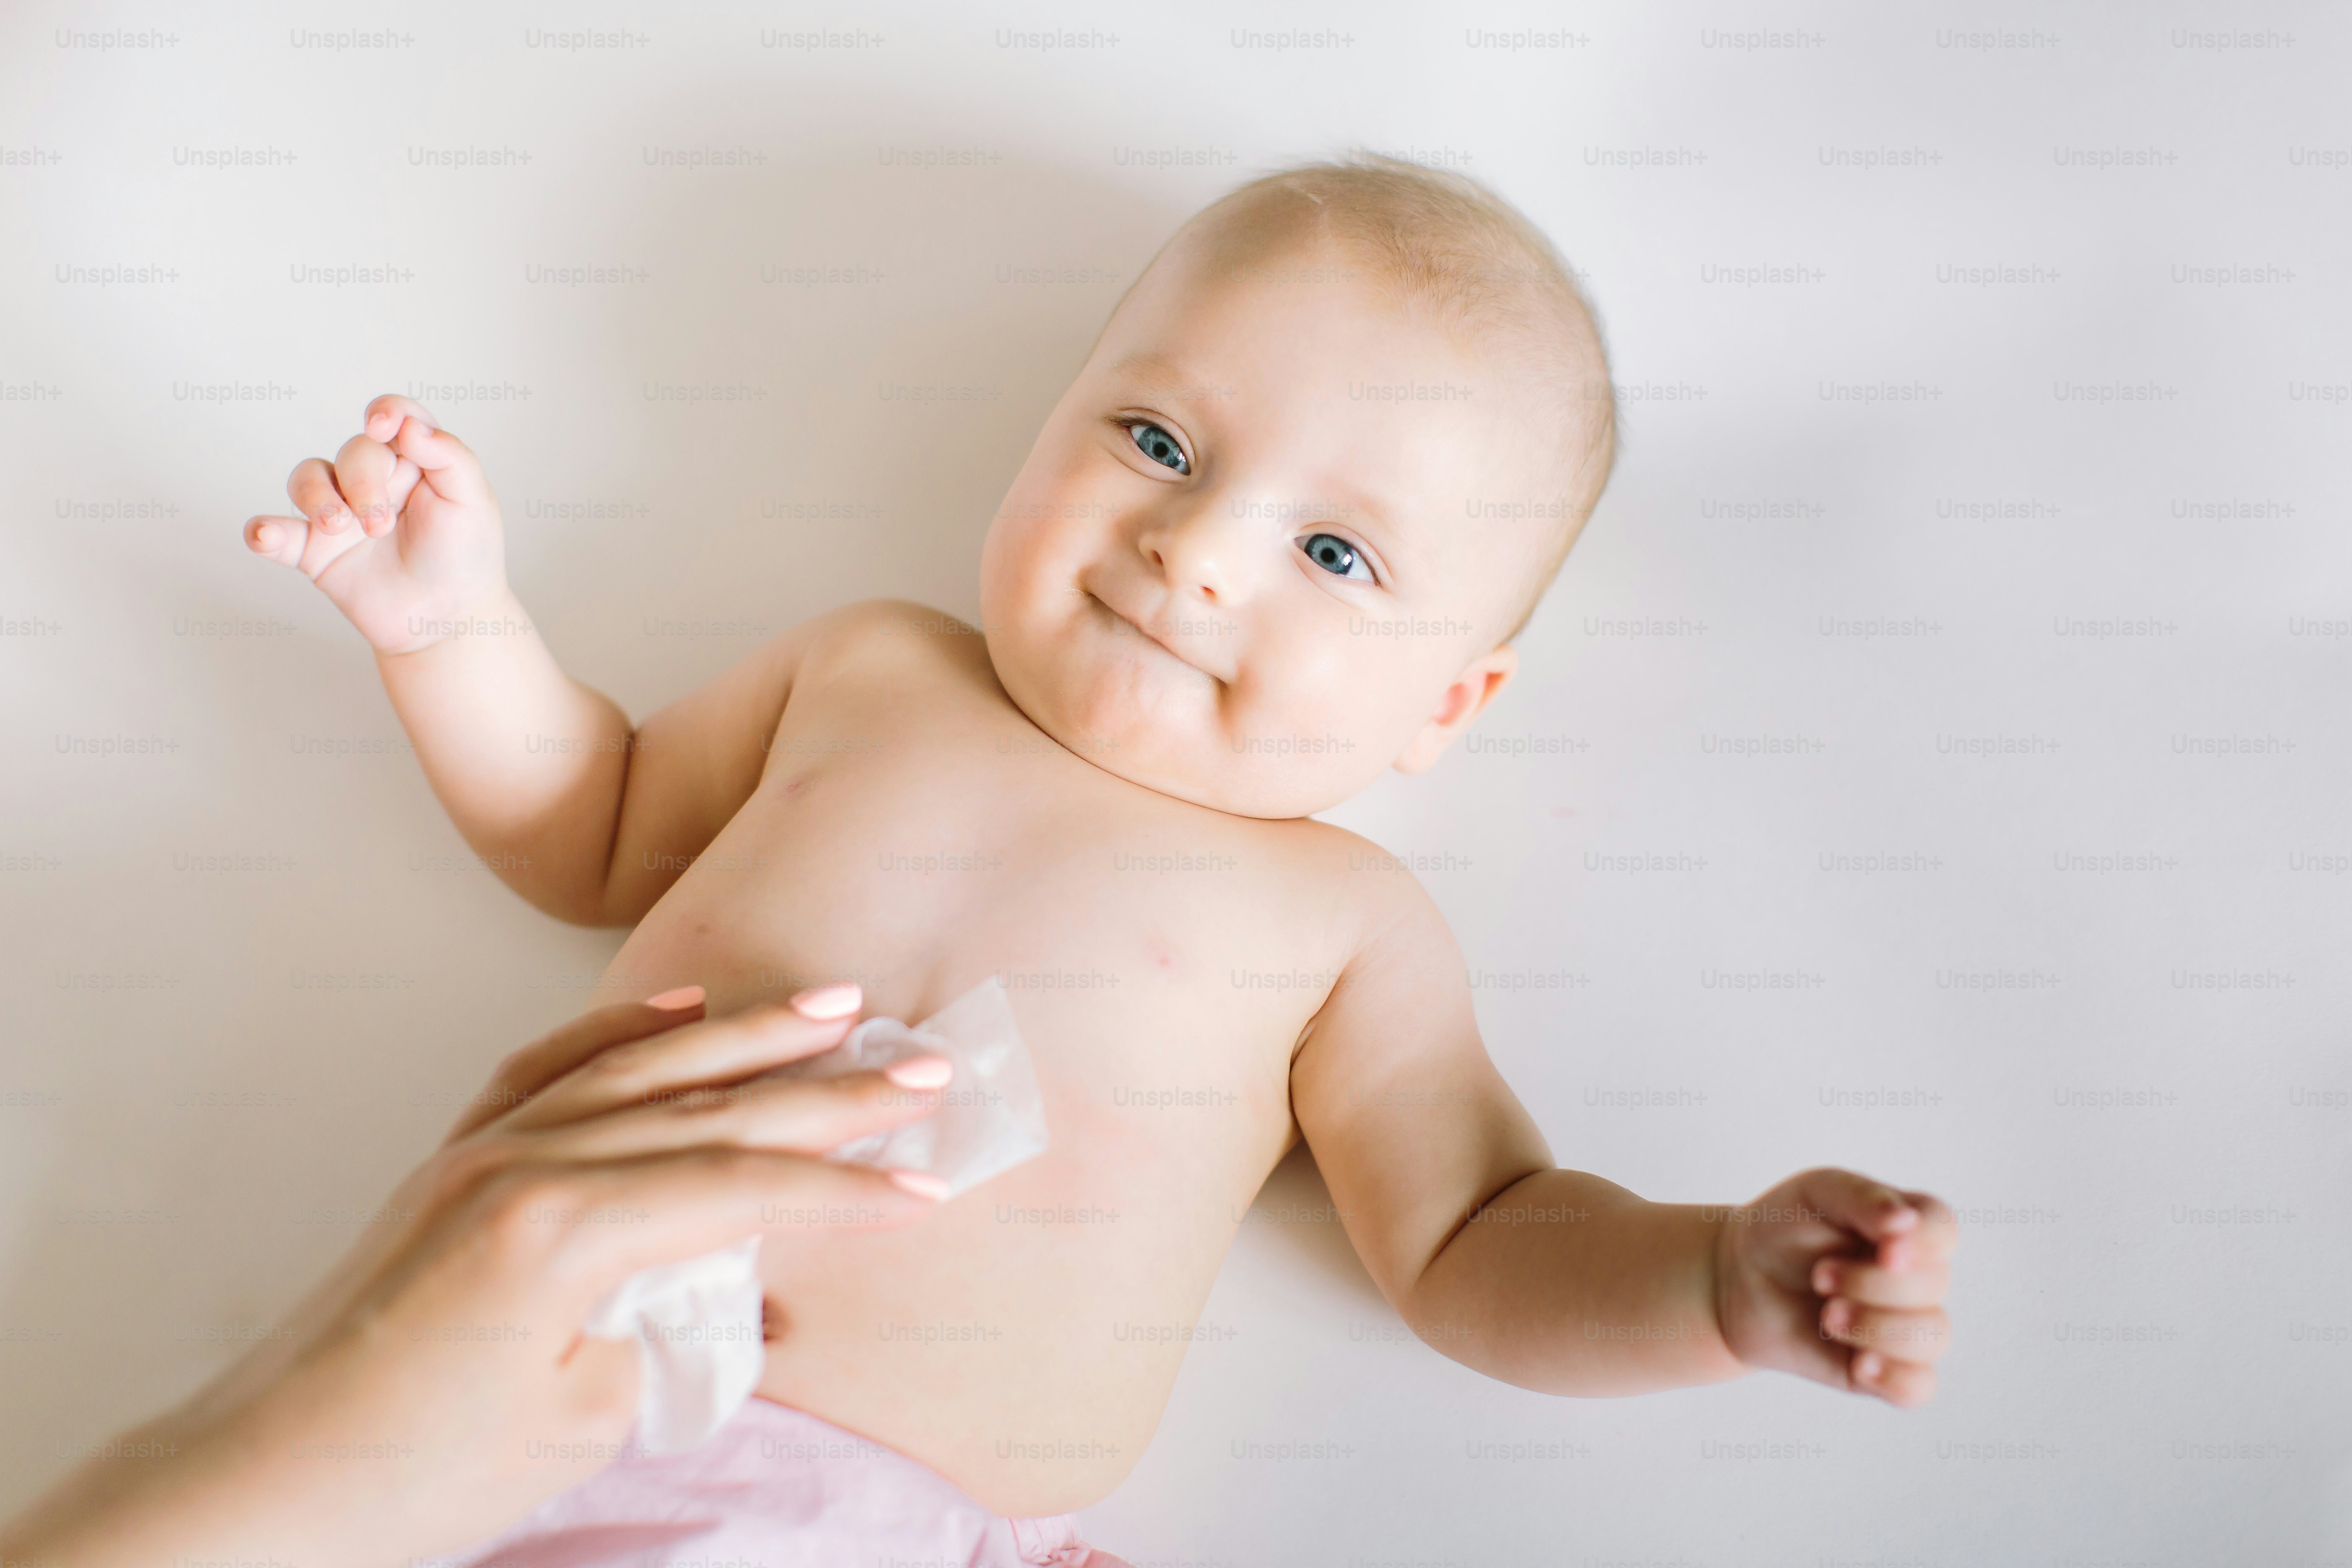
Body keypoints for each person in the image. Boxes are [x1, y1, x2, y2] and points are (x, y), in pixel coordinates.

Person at [233, 153, 1958, 1544]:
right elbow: (591, 829)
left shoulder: (1336, 920)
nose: (1197, 545)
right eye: (1156, 441)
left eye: (1337, 554)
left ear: (1449, 699)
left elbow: (1476, 1233)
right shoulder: (867, 670)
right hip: (488, 1387)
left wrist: (1708, 1278)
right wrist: (450, 629)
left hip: (892, 1508)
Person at [0, 983, 958, 1565]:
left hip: (862, 1521)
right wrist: (452, 645)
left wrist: (247, 1483)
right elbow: (601, 810)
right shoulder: (860, 658)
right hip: (515, 1403)